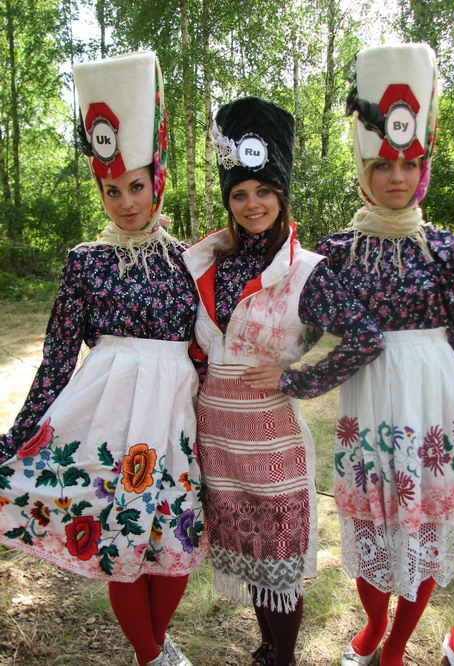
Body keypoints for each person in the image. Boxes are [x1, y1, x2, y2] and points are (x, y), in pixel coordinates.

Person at [0, 52, 208, 666]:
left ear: (157, 182)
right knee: (121, 542)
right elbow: (58, 356)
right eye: (111, 190)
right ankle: (151, 656)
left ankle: (156, 645)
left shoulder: (192, 259)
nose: (125, 202)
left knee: (174, 541)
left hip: (173, 423)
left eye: (136, 186)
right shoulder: (84, 261)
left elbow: (209, 349)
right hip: (111, 421)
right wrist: (20, 433)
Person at [182, 96, 385, 666]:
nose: (253, 204)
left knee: (278, 562)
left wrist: (297, 378)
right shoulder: (206, 262)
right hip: (216, 437)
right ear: (228, 200)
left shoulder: (305, 271)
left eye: (264, 191)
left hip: (272, 441)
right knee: (250, 555)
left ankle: (284, 659)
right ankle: (268, 649)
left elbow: (366, 336)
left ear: (281, 195)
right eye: (240, 193)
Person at [314, 43, 454, 666]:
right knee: (371, 522)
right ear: (362, 169)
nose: (397, 176)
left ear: (424, 168)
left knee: (421, 527)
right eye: (383, 164)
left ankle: (394, 646)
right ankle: (371, 626)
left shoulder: (448, 250)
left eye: (410, 163)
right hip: (368, 399)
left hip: (435, 401)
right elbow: (295, 318)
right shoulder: (337, 251)